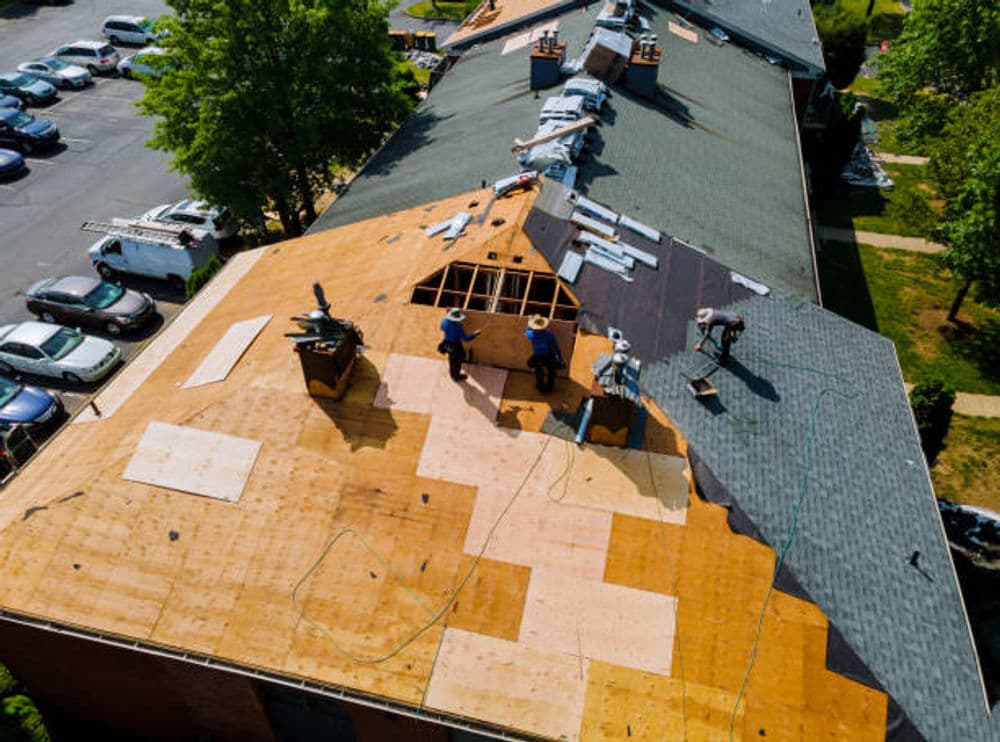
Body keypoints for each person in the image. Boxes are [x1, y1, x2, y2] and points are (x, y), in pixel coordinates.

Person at [439, 307, 481, 381]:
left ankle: (452, 374)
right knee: (457, 361)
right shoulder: (458, 327)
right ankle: (456, 376)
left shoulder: (444, 321)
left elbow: (442, 328)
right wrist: (475, 334)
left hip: (447, 343)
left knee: (451, 359)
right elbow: (465, 339)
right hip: (456, 345)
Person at [525, 314, 563, 393]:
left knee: (539, 371)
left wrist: (529, 321)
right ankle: (550, 388)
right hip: (548, 356)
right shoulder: (549, 335)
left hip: (538, 357)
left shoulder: (532, 335)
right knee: (551, 371)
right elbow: (555, 346)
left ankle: (540, 388)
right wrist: (559, 356)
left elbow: (527, 331)